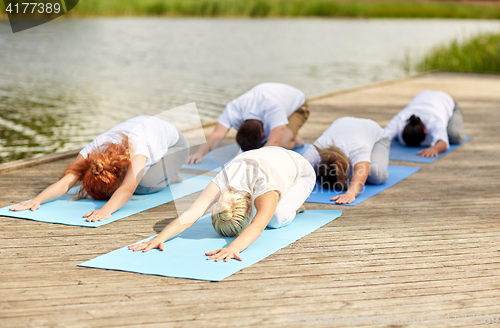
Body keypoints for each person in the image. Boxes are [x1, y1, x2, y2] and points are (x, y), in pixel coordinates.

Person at [129, 147, 316, 262]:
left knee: (273, 219)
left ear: (249, 209)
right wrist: (160, 238)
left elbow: (258, 226)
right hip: (271, 158)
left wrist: (234, 247)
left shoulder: (266, 189)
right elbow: (192, 213)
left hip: (302, 173)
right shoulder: (224, 179)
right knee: (267, 214)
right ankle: (290, 201)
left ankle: (297, 206)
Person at [9, 116, 189, 222]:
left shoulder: (137, 148)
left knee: (142, 185)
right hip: (147, 137)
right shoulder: (93, 149)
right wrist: (37, 200)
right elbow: (66, 181)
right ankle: (161, 171)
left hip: (175, 147)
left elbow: (126, 189)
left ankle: (172, 176)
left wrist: (107, 210)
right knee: (135, 178)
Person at [186, 83, 308, 164]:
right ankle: (283, 129)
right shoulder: (234, 109)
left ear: (262, 133)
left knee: (278, 147)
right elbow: (217, 135)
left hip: (298, 107)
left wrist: (254, 163)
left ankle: (296, 139)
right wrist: (199, 153)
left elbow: (273, 143)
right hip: (277, 103)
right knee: (266, 146)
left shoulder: (274, 109)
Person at [302, 117, 390, 205]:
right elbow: (298, 171)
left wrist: (350, 193)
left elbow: (359, 178)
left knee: (376, 175)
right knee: (307, 172)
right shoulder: (317, 148)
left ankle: (352, 169)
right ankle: (346, 172)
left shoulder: (357, 148)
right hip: (343, 122)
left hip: (377, 138)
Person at [384, 90, 466, 157]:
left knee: (454, 137)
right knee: (391, 137)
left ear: (425, 131)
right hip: (421, 96)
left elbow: (443, 142)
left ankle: (452, 109)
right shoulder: (400, 119)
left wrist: (434, 149)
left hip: (446, 101)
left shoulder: (434, 121)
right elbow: (382, 136)